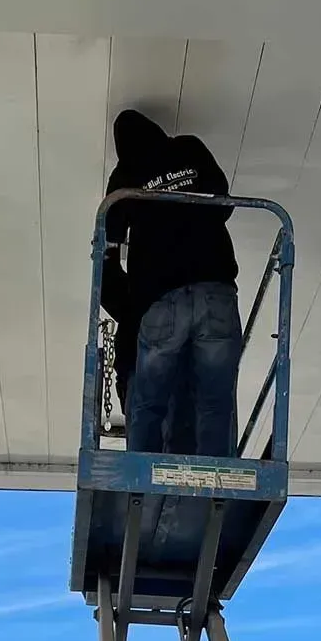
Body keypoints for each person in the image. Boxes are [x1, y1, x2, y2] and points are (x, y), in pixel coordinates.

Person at [100, 110, 242, 457]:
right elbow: (222, 201)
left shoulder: (125, 176)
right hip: (216, 290)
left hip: (162, 301)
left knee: (149, 402)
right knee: (215, 398)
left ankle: (143, 472)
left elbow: (107, 245)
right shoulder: (189, 148)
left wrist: (132, 307)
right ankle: (215, 474)